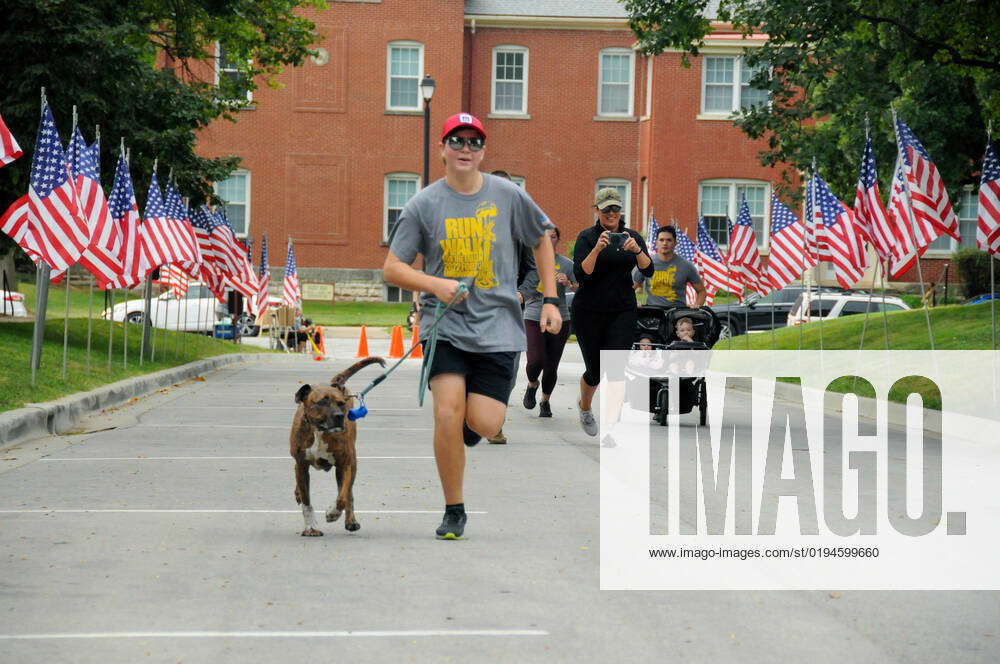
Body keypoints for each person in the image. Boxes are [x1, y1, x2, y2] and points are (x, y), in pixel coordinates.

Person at [383, 112, 562, 540]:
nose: (465, 149)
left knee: (484, 423)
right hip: (445, 324)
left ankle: (469, 425)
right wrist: (434, 285)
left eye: (474, 142)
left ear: (484, 151)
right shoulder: (423, 205)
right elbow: (392, 268)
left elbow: (541, 238)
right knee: (446, 412)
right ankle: (454, 508)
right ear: (442, 148)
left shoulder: (508, 196)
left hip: (499, 325)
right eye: (457, 141)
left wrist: (551, 299)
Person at [571, 187, 654, 447]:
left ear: (621, 211)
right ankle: (585, 407)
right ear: (597, 210)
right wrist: (596, 249)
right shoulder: (587, 237)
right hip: (589, 311)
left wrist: (637, 251)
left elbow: (648, 270)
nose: (611, 213)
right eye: (606, 209)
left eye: (615, 209)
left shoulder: (632, 237)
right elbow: (581, 274)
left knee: (616, 370)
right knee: (595, 371)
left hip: (622, 310)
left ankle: (610, 429)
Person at [519, 225, 577, 418]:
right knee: (535, 360)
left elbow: (580, 287)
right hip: (534, 315)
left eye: (553, 237)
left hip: (560, 318)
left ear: (557, 240)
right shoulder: (531, 263)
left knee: (551, 364)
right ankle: (532, 383)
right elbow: (523, 288)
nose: (549, 240)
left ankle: (545, 400)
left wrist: (568, 283)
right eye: (545, 237)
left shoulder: (567, 264)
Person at [632, 225, 707, 308]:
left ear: (675, 243)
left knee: (685, 322)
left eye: (669, 240)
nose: (665, 243)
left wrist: (697, 306)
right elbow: (629, 289)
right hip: (652, 312)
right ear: (656, 243)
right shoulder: (646, 263)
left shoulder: (687, 266)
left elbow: (701, 291)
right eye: (661, 240)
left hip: (678, 313)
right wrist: (634, 301)